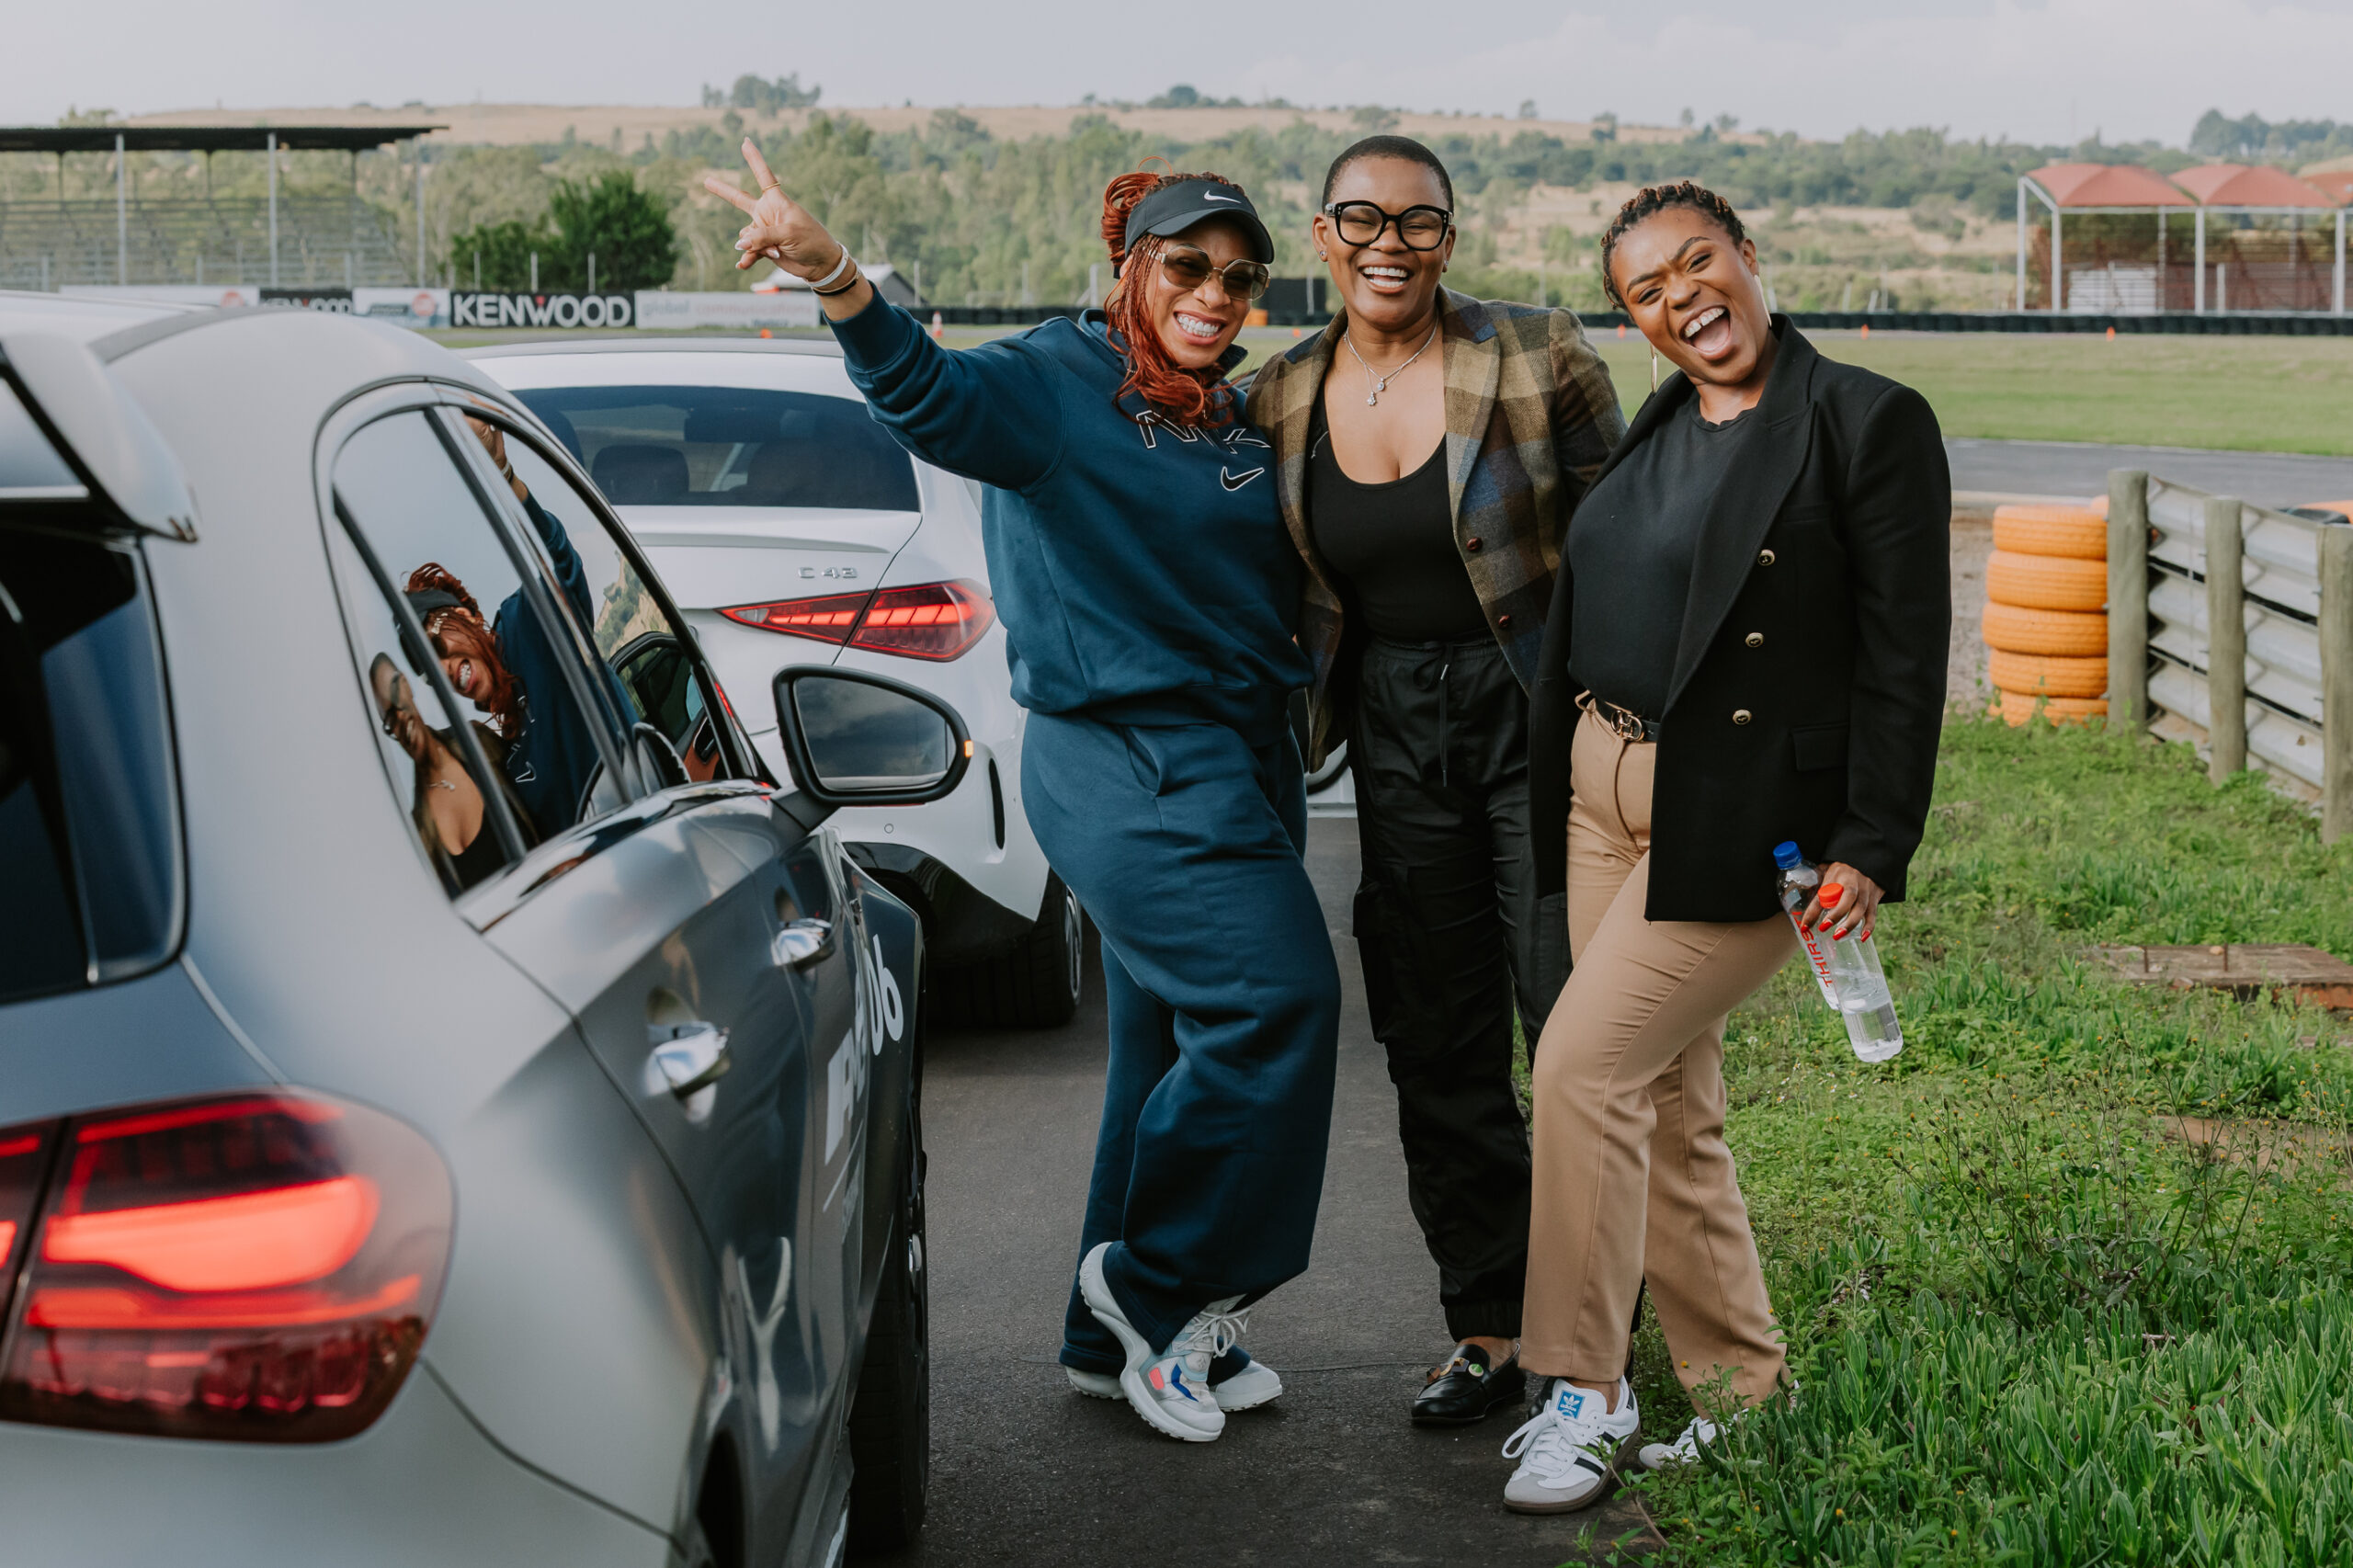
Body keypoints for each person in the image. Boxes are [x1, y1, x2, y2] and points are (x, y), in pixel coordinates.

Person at [710, 142, 1342, 1445]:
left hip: (1238, 756)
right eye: (1187, 266)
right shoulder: (1057, 381)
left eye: (1240, 278)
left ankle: (1105, 1338)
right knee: (1275, 1004)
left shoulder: (1224, 411)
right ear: (1130, 266)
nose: (1215, 294)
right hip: (1129, 758)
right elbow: (928, 398)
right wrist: (837, 275)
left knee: (1165, 1047)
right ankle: (1158, 1286)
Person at [1498, 181, 1949, 1512]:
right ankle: (1747, 1398)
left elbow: (1906, 651)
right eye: (1647, 289)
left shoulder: (1864, 418)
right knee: (1665, 1101)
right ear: (1634, 321)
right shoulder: (1664, 421)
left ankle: (1584, 1391)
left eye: (1697, 261)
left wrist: (1873, 839)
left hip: (1747, 813)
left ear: (1749, 256)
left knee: (1581, 1067)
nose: (1681, 296)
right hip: (1601, 786)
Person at [1244, 135, 1623, 1425]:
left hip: (1539, 713)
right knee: (1435, 1035)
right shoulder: (1279, 394)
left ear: (1448, 239)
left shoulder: (1536, 350)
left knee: (1571, 1025)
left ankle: (1592, 1339)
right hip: (1395, 728)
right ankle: (1492, 1325)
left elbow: (1628, 531)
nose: (1388, 244)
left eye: (1417, 222)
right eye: (1361, 218)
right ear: (1323, 235)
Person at [406, 418, 624, 844]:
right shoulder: (499, 748)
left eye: (437, 645)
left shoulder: (525, 629)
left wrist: (505, 477)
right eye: (429, 671)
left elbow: (559, 565)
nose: (443, 669)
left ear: (467, 616)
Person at [368, 653, 536, 891]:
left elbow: (538, 795)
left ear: (406, 686)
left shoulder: (478, 742)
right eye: (390, 719)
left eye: (396, 698)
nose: (401, 719)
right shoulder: (419, 834)